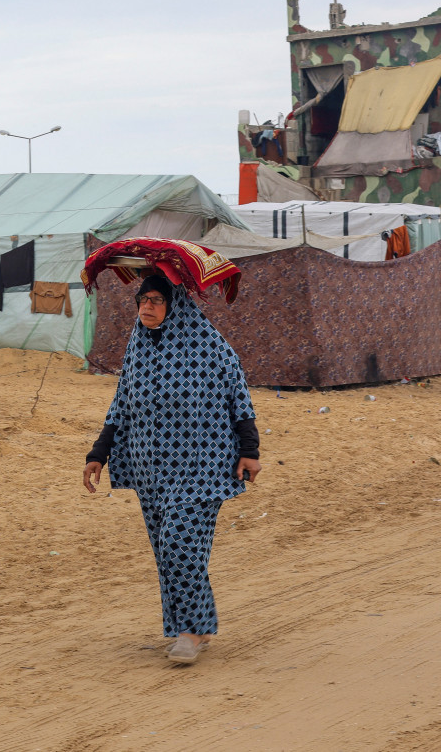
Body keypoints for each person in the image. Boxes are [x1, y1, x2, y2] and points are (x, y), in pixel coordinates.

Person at [83, 272, 262, 664]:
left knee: (179, 542)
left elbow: (238, 393)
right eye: (142, 300)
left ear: (175, 306)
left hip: (204, 462)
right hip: (152, 468)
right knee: (169, 551)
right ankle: (193, 626)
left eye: (156, 300)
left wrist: (250, 449)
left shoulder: (208, 345)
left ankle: (191, 633)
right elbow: (121, 403)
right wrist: (99, 452)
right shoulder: (138, 347)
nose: (147, 307)